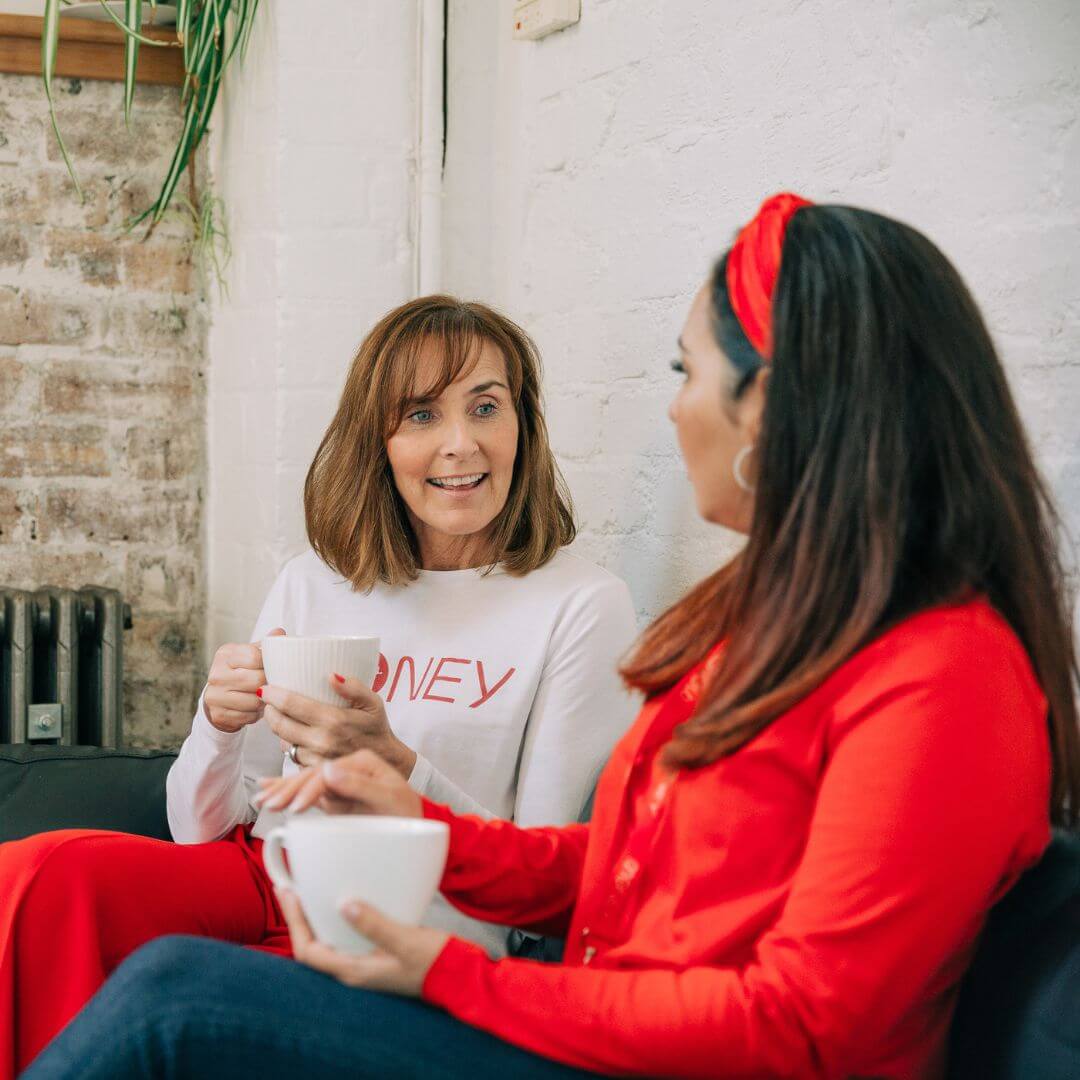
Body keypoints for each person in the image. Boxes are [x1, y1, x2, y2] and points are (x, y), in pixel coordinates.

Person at [25, 193, 1080, 1080]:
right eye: (422, 417)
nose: (671, 415)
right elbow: (620, 866)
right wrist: (417, 808)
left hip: (606, 1045)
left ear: (776, 407)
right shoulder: (781, 626)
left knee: (173, 1000)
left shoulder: (944, 677)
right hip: (581, 1016)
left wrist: (453, 975)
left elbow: (810, 1024)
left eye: (685, 373)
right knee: (65, 891)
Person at [0, 297, 638, 1079]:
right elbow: (201, 829)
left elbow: (545, 886)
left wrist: (400, 768)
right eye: (422, 415)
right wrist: (217, 724)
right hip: (265, 870)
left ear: (524, 425)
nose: (460, 443)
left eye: (485, 407)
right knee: (37, 876)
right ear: (382, 441)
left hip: (411, 911)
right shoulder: (319, 584)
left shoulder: (579, 604)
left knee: (182, 985)